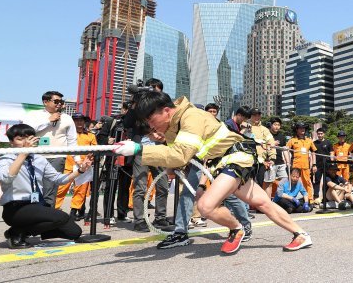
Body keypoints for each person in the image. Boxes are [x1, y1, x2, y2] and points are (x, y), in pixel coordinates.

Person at [113, 92, 311, 254]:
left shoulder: (191, 117)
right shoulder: (175, 126)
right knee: (262, 203)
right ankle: (301, 234)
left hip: (236, 157)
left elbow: (180, 154)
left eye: (150, 119)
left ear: (166, 111)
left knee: (206, 206)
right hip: (224, 162)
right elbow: (176, 154)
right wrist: (170, 168)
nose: (150, 125)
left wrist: (139, 149)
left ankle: (236, 229)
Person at [0, 124, 93, 248]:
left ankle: (21, 230)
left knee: (74, 232)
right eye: (20, 139)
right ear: (11, 142)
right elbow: (6, 179)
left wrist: (80, 170)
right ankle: (16, 232)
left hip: (36, 205)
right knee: (62, 217)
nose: (26, 142)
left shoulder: (39, 159)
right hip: (15, 208)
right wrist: (23, 154)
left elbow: (58, 179)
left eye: (29, 138)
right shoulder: (5, 159)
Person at [126, 78, 170, 232]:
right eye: (150, 89)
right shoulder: (138, 106)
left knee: (163, 186)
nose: (152, 92)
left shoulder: (164, 107)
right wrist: (135, 102)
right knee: (140, 187)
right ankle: (139, 220)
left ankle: (161, 218)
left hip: (159, 148)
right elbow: (127, 123)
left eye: (155, 90)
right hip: (141, 149)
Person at [24, 91, 78, 208]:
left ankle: (46, 221)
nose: (60, 104)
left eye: (61, 102)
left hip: (57, 158)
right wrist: (48, 121)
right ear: (45, 102)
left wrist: (77, 159)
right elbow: (25, 131)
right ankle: (33, 218)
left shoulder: (67, 118)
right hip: (35, 157)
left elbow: (72, 141)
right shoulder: (34, 115)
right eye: (56, 101)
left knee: (50, 192)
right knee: (34, 188)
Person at [55, 113, 96, 219]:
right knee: (60, 190)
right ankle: (54, 210)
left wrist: (89, 159)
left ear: (84, 122)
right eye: (76, 120)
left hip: (83, 167)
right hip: (67, 166)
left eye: (81, 120)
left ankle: (73, 213)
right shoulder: (65, 135)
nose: (79, 122)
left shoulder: (91, 135)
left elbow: (95, 150)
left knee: (80, 191)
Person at [286, 123, 317, 203]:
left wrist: (314, 164)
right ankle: (293, 199)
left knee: (307, 182)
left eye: (303, 128)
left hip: (306, 166)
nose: (302, 129)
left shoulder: (309, 140)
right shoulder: (292, 140)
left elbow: (313, 152)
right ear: (297, 130)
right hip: (296, 165)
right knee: (294, 182)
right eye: (300, 128)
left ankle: (310, 199)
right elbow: (285, 150)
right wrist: (288, 162)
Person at [249, 108, 276, 198]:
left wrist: (272, 158)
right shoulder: (245, 127)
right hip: (248, 160)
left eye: (258, 115)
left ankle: (258, 205)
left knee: (260, 182)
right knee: (246, 182)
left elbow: (271, 143)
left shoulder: (264, 129)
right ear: (250, 116)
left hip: (261, 161)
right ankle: (245, 206)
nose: (257, 117)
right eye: (254, 115)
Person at [268, 117, 289, 194]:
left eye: (278, 125)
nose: (277, 126)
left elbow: (284, 150)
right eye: (275, 124)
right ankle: (270, 198)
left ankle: (278, 197)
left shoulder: (282, 136)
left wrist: (288, 162)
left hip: (281, 162)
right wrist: (272, 143)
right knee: (269, 182)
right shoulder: (267, 134)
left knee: (285, 179)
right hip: (270, 162)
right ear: (271, 125)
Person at [312, 127, 332, 202]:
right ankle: (316, 197)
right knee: (317, 181)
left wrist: (332, 161)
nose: (320, 135)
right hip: (318, 165)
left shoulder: (328, 142)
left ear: (324, 134)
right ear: (317, 134)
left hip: (327, 165)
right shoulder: (314, 143)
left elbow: (331, 152)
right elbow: (312, 154)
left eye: (321, 134)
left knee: (327, 181)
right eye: (318, 134)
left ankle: (326, 197)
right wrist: (313, 165)